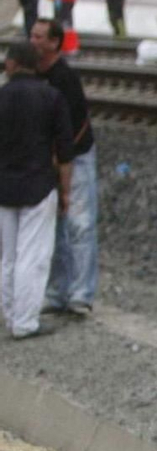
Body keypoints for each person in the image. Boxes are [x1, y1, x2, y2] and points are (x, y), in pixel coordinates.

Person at [0, 40, 73, 342]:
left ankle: (8, 313)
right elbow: (66, 152)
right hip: (39, 185)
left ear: (14, 64)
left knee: (7, 257)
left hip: (3, 186)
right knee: (33, 256)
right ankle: (25, 322)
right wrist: (66, 192)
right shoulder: (51, 97)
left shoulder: (0, 97)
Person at [27, 20, 93, 319]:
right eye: (31, 35)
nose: (33, 41)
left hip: (75, 158)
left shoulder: (65, 78)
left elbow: (79, 123)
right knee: (55, 228)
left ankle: (81, 294)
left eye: (39, 37)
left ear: (54, 43)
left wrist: (62, 157)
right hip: (48, 161)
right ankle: (57, 292)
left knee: (80, 223)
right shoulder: (33, 77)